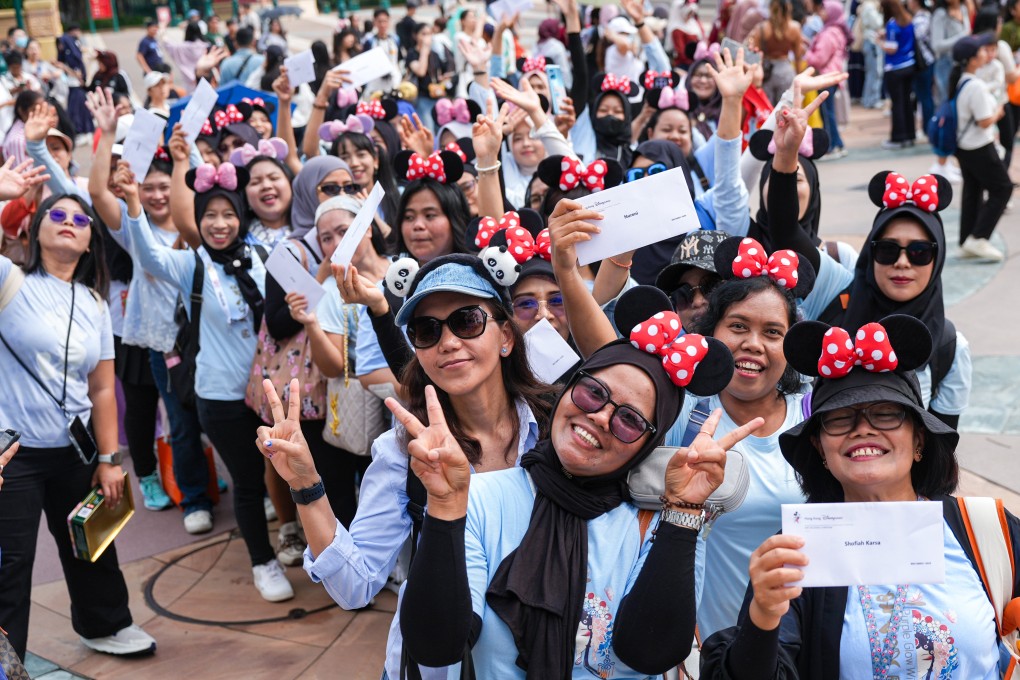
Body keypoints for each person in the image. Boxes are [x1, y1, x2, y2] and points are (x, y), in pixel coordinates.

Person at [396, 295, 757, 677]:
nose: (601, 417)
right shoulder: (481, 499)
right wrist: (446, 507)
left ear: (646, 445)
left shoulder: (662, 521)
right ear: (569, 388)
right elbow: (435, 647)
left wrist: (684, 512)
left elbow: (650, 653)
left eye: (630, 420)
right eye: (593, 392)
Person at [256, 254, 555, 679]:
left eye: (467, 321)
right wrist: (306, 485)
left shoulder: (556, 430)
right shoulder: (402, 452)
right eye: (426, 331)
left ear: (505, 335)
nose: (448, 342)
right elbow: (354, 585)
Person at [700, 315, 1016, 680]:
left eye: (886, 414)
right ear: (820, 447)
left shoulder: (986, 528)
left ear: (919, 440)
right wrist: (763, 616)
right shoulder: (797, 553)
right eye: (839, 419)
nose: (863, 429)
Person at [122, 153, 295, 602]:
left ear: (241, 216)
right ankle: (263, 562)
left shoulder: (262, 255)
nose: (220, 224)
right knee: (248, 480)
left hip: (270, 392)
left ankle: (303, 541)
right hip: (219, 397)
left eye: (228, 214)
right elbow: (149, 255)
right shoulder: (191, 264)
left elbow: (300, 295)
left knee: (291, 472)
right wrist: (133, 208)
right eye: (210, 216)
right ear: (199, 220)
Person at [0, 193, 157, 661]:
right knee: (11, 562)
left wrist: (110, 459)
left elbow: (103, 389)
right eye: (57, 214)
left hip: (76, 449)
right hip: (14, 451)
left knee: (91, 542)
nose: (69, 222)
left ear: (91, 241)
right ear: (33, 230)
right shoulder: (11, 281)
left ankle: (105, 625)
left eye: (80, 217)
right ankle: (9, 660)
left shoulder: (93, 301)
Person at [951, 33, 1011, 262]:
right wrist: (997, 112)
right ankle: (979, 238)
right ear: (972, 59)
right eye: (981, 51)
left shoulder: (962, 81)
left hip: (964, 146)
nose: (985, 53)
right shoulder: (974, 85)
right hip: (979, 146)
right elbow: (984, 120)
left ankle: (967, 239)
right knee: (1002, 188)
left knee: (973, 192)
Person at [805, 2, 851, 159]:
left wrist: (807, 53)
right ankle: (837, 143)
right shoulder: (834, 31)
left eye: (825, 10)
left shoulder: (829, 33)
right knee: (829, 112)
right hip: (831, 77)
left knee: (827, 113)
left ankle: (832, 145)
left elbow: (818, 59)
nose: (822, 13)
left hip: (826, 77)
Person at [751, 0, 804, 104]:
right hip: (786, 71)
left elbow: (755, 56)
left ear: (770, 9)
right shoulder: (795, 28)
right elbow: (798, 57)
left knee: (766, 109)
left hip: (766, 72)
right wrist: (799, 78)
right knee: (786, 109)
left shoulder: (761, 28)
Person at [162, 22, 210, 94]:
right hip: (206, 82)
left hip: (189, 84)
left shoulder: (181, 47)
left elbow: (168, 45)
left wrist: (163, 31)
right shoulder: (205, 46)